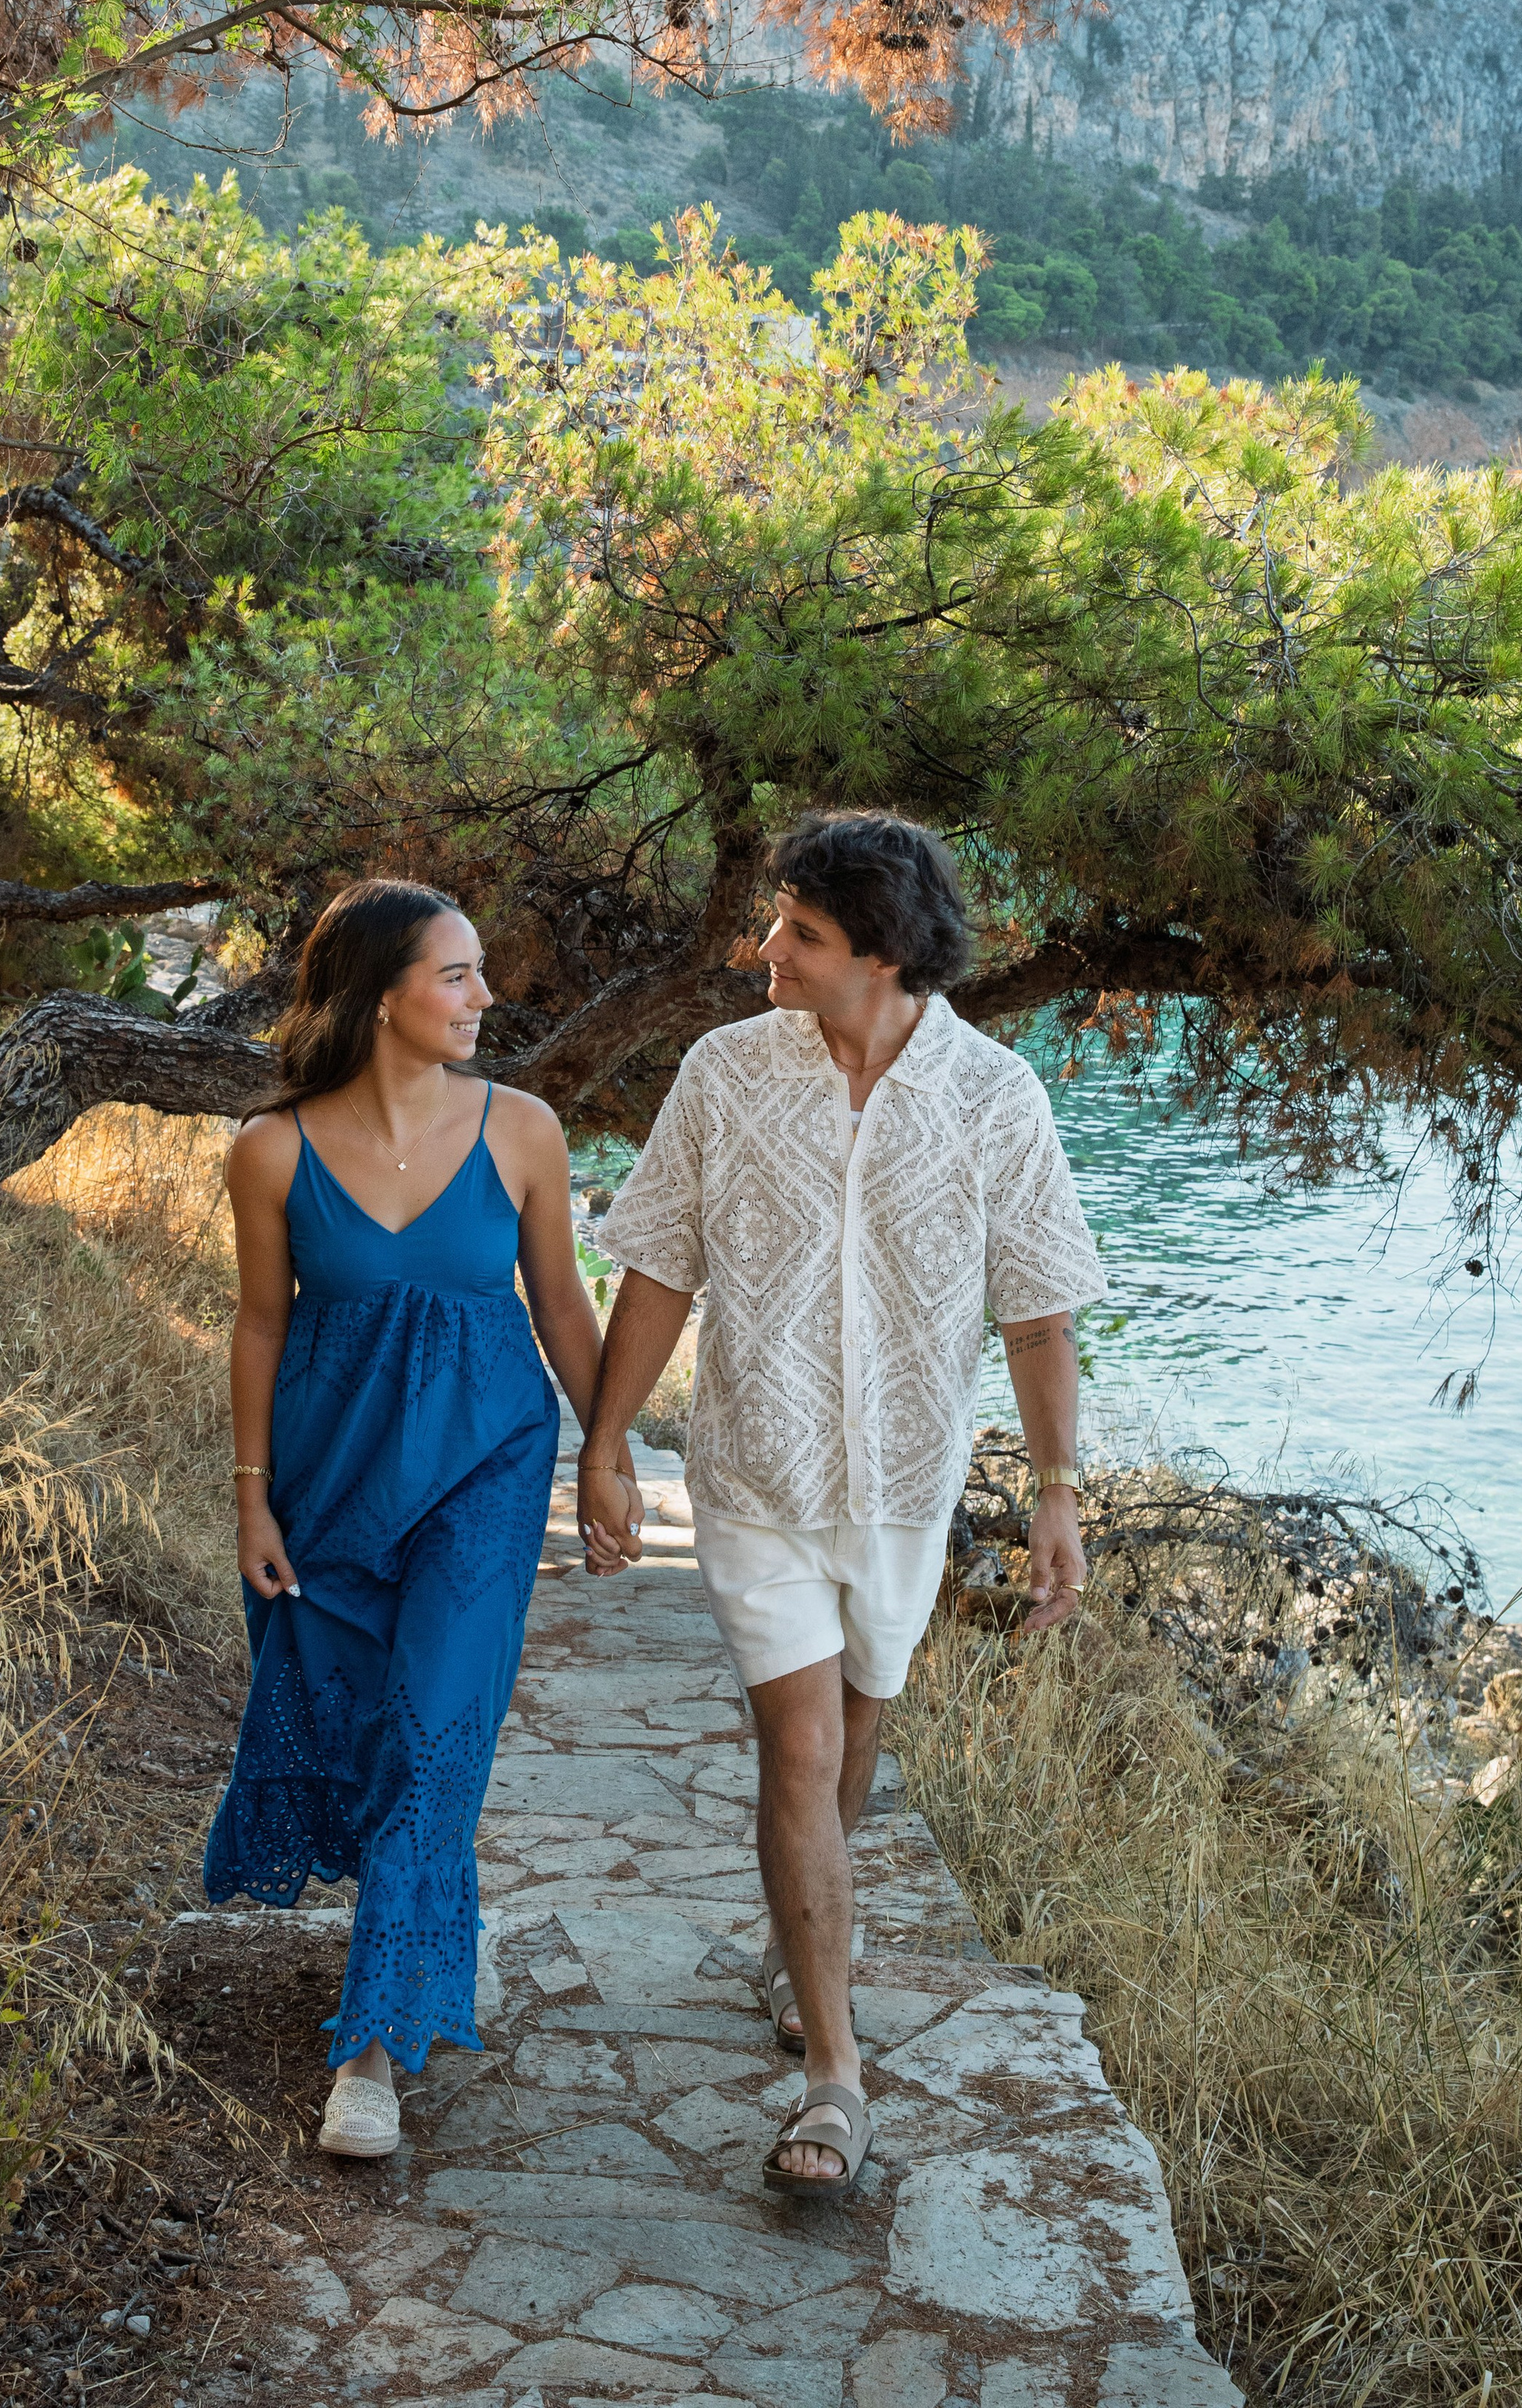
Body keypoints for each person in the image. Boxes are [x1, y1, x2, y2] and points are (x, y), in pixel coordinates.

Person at [577, 811, 1104, 2202]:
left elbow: (1038, 1317)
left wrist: (1057, 1494)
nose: (768, 952)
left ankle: (796, 1940)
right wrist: (610, 1441)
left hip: (908, 1489)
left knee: (856, 1746)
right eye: (776, 924)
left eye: (801, 935)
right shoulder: (723, 1073)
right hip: (757, 1474)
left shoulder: (997, 1098)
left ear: (884, 955)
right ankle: (834, 2074)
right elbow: (660, 1269)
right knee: (799, 1750)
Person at [204, 877, 611, 2161]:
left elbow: (561, 1307)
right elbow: (262, 1324)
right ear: (383, 995)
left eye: (479, 975)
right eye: (457, 976)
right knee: (365, 1726)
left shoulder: (524, 1132)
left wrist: (606, 1454)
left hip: (485, 1470)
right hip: (330, 1483)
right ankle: (407, 1935)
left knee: (438, 1733)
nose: (485, 998)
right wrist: (251, 1497)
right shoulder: (271, 1150)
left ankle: (372, 2046)